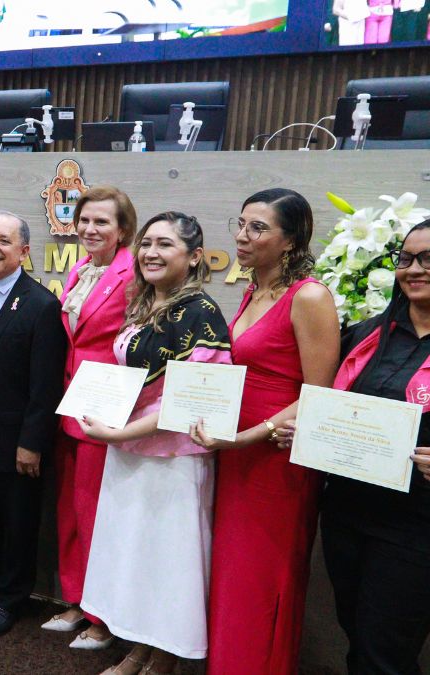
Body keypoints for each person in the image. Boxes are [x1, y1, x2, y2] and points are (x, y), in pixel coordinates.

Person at [77, 213, 231, 674]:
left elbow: (189, 403)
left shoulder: (203, 313)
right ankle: (139, 648)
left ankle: (164, 657)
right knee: (133, 556)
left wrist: (117, 433)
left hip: (174, 458)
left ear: (194, 256)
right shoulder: (143, 303)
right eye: (146, 244)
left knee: (168, 564)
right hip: (129, 451)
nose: (150, 253)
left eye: (165, 244)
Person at [196, 188, 340, 674]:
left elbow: (319, 395)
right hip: (236, 453)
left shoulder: (310, 297)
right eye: (240, 224)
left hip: (277, 461)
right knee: (234, 574)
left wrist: (247, 436)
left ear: (291, 240)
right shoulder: (253, 290)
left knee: (263, 578)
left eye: (257, 228)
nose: (242, 236)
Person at [289, 218, 430, 674]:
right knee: (355, 630)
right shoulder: (367, 334)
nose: (414, 269)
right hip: (348, 512)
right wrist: (309, 428)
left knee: (385, 650)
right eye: (406, 258)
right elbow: (331, 402)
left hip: (415, 526)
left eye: (428, 259)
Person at [0, 211, 67, 638]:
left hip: (16, 441)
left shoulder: (41, 305)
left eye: (3, 241)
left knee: (17, 524)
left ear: (23, 251)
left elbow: (45, 386)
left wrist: (32, 443)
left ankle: (9, 599)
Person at [45, 186, 138, 649]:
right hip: (69, 404)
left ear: (123, 229)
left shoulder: (134, 273)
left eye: (101, 221)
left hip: (106, 408)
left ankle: (102, 617)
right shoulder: (80, 269)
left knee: (98, 515)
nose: (89, 228)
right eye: (84, 220)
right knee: (71, 513)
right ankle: (77, 600)